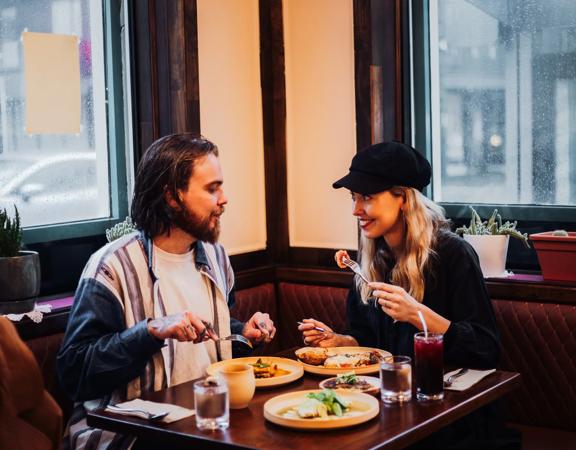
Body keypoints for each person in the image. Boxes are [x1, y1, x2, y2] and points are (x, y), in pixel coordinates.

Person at [57, 134, 276, 450]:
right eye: (212, 189)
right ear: (173, 197)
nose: (224, 199)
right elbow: (75, 373)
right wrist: (150, 332)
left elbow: (210, 342)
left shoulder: (216, 258)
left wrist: (244, 334)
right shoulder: (111, 267)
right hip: (132, 436)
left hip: (206, 423)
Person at [299, 141, 517, 449]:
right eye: (353, 197)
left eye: (367, 197)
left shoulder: (452, 253)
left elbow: (485, 347)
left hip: (451, 420)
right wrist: (341, 342)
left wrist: (417, 314)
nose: (355, 210)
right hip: (386, 410)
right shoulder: (372, 261)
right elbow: (368, 341)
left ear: (403, 198)